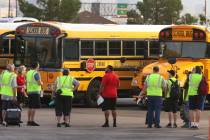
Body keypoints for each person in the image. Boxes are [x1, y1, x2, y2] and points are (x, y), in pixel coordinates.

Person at [26, 62, 43, 126]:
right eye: (38, 66)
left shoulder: (28, 72)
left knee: (30, 107)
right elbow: (39, 83)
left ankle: (28, 121)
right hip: (35, 92)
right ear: (36, 66)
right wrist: (42, 83)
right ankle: (32, 121)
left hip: (29, 91)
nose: (39, 67)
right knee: (33, 107)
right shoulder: (36, 73)